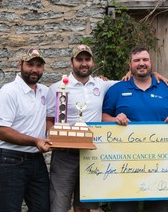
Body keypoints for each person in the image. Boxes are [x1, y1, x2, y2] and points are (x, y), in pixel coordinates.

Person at [102, 45, 168, 212]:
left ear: (151, 62)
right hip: (123, 166)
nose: (141, 63)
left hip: (159, 164)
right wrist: (115, 119)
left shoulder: (166, 88)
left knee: (157, 209)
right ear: (130, 65)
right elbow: (104, 117)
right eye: (137, 60)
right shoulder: (116, 89)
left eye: (145, 59)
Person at [46, 44, 118, 212]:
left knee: (84, 207)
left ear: (92, 62)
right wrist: (54, 138)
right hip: (65, 154)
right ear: (72, 62)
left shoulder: (101, 85)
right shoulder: (57, 87)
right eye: (79, 59)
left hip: (91, 154)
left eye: (87, 59)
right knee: (59, 205)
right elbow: (49, 120)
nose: (84, 63)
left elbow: (131, 81)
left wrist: (155, 74)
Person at [0, 48, 52, 212]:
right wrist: (35, 141)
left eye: (39, 65)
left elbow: (51, 117)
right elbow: (0, 131)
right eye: (30, 64)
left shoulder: (45, 92)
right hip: (11, 160)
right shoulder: (8, 92)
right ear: (20, 64)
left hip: (36, 160)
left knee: (43, 208)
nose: (34, 69)